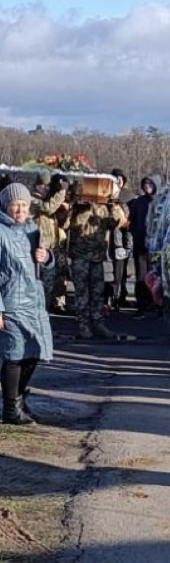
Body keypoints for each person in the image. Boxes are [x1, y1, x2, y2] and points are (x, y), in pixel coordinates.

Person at [1, 182, 54, 425]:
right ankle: (11, 408)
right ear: (6, 206)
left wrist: (48, 257)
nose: (20, 209)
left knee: (33, 351)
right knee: (14, 353)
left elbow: (45, 262)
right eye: (15, 205)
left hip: (33, 301)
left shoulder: (32, 229)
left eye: (24, 204)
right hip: (10, 301)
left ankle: (19, 399)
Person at [67, 178, 128, 340]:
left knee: (97, 292)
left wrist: (113, 203)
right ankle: (83, 325)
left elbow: (118, 222)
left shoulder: (105, 207)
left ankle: (98, 322)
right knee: (81, 292)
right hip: (80, 255)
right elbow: (67, 222)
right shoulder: (78, 207)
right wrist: (78, 200)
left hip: (97, 256)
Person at [31, 172, 70, 312]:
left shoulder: (49, 200)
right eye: (44, 185)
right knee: (41, 287)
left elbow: (63, 225)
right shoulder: (32, 200)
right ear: (37, 186)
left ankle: (51, 308)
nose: (47, 188)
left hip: (52, 250)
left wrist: (65, 211)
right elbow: (47, 208)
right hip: (39, 251)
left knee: (52, 284)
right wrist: (61, 192)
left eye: (49, 186)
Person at [127, 176, 158, 313]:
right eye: (145, 183)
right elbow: (131, 221)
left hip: (156, 246)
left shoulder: (160, 202)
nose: (147, 186)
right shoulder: (138, 202)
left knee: (155, 275)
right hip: (140, 244)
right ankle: (141, 303)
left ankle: (155, 302)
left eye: (150, 183)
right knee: (141, 275)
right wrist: (136, 234)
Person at [108, 169, 132, 310]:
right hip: (107, 240)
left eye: (120, 179)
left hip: (122, 240)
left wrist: (127, 245)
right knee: (109, 271)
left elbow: (129, 219)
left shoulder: (128, 196)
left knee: (121, 271)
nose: (118, 181)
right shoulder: (106, 195)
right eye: (115, 178)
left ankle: (120, 296)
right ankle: (109, 298)